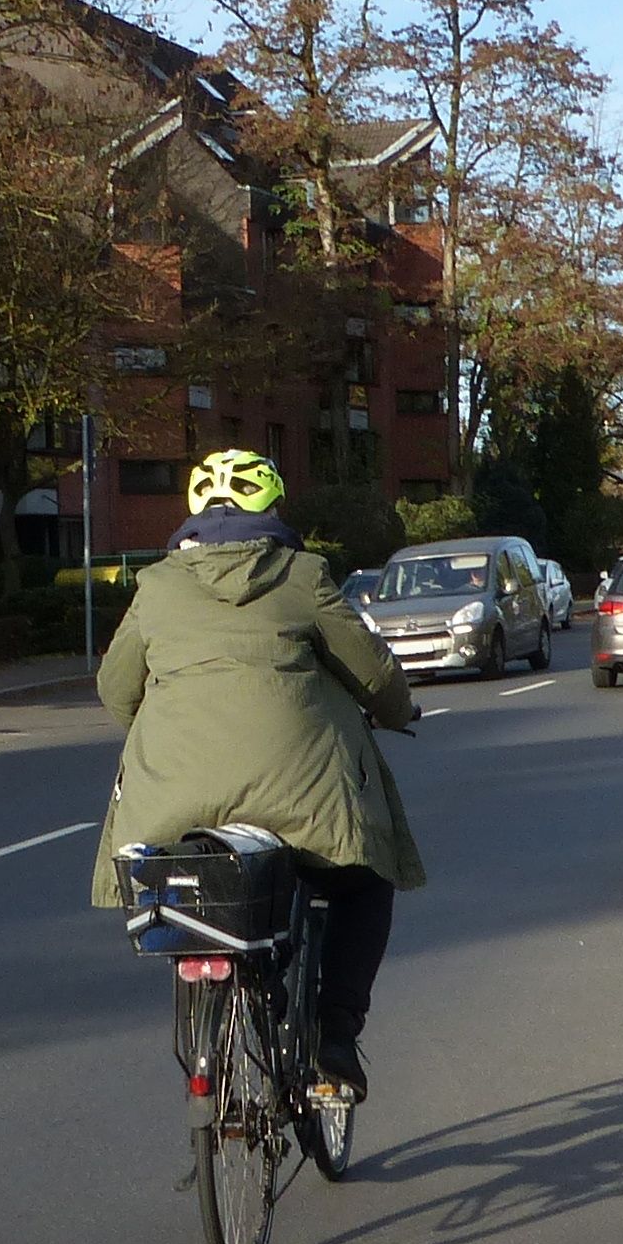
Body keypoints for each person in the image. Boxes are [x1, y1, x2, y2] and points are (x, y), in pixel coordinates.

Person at [89, 448, 423, 1098]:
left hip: (173, 810)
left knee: (200, 895)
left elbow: (115, 690)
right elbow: (375, 675)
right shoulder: (303, 575)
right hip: (303, 807)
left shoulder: (156, 586)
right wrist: (397, 710)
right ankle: (333, 1036)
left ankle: (218, 1028)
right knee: (362, 884)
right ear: (271, 509)